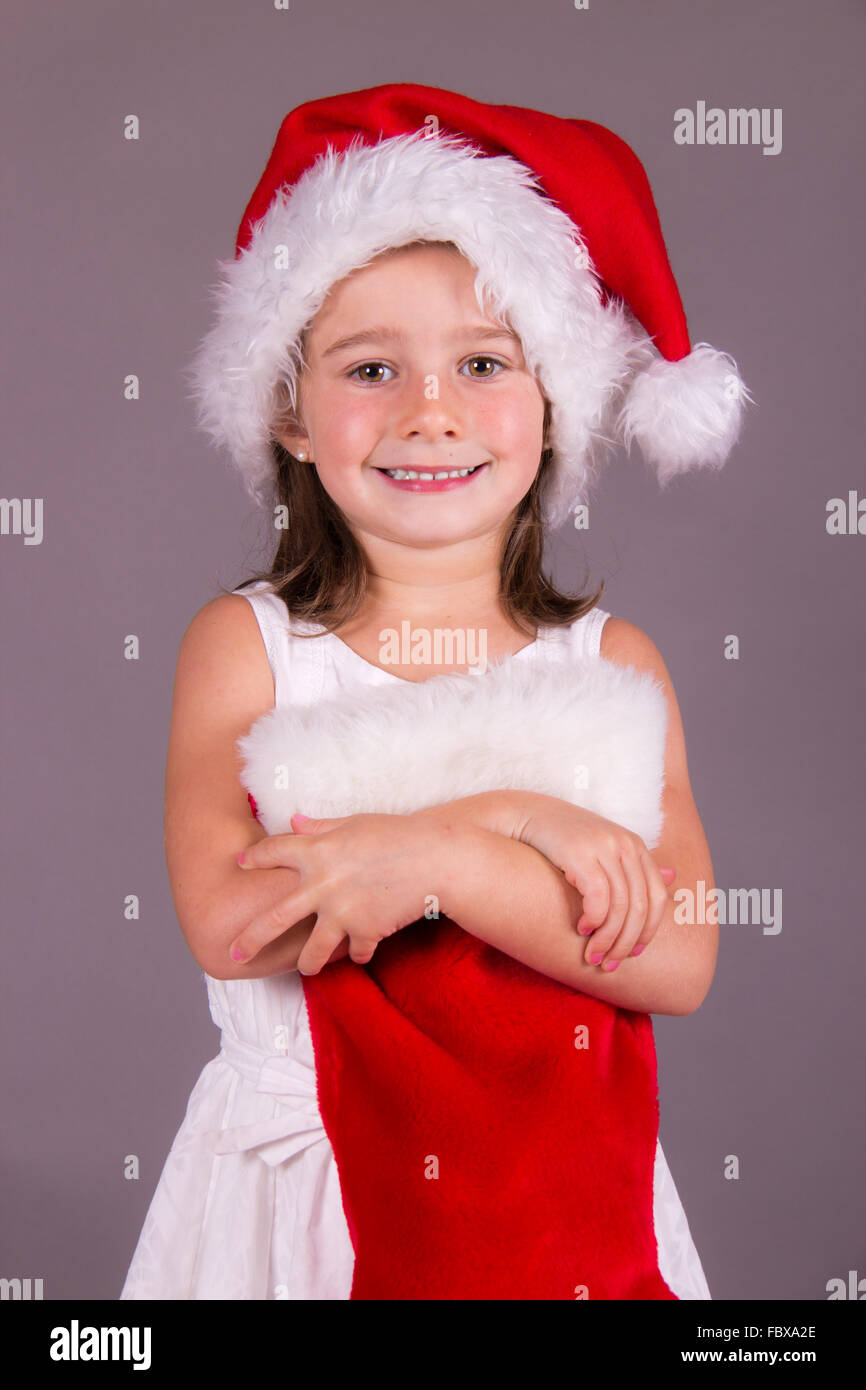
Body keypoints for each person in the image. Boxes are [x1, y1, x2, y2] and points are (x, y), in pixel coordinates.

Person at [119, 82, 750, 1301]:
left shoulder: (611, 668)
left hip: (560, 1204)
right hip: (309, 1209)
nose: (429, 411)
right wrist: (523, 828)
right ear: (292, 413)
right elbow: (238, 920)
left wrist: (439, 859)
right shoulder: (248, 647)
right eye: (369, 367)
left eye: (480, 362)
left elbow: (672, 955)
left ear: (552, 403)